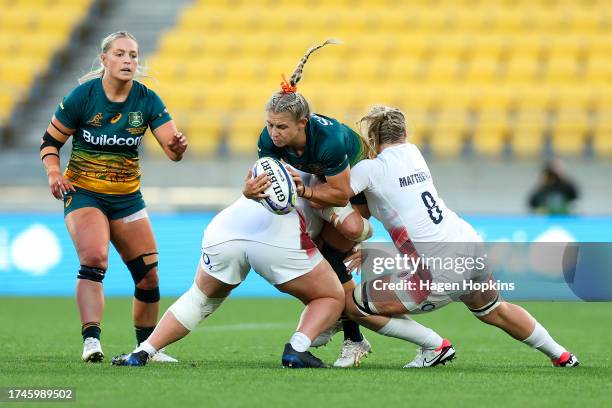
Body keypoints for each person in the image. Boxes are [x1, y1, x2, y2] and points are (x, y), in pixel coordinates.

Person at [337, 105, 578, 368]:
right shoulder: (414, 154)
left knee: (352, 303)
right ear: (405, 133)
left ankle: (434, 346)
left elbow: (336, 193)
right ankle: (562, 355)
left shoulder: (370, 170)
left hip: (438, 270)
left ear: (373, 137)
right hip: (467, 242)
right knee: (495, 309)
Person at [39, 31, 187, 363]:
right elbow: (50, 143)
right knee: (94, 259)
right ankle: (91, 340)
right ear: (104, 59)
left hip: (127, 198)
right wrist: (53, 173)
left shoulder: (147, 100)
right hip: (84, 193)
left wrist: (177, 148)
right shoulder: (83, 97)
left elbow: (172, 148)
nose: (128, 61)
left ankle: (147, 347)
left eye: (133, 55)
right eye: (120, 54)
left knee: (149, 275)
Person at [111, 170, 345, 368]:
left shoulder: (273, 158)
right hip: (277, 241)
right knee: (330, 296)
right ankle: (297, 348)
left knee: (199, 298)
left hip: (226, 230)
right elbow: (354, 228)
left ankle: (142, 352)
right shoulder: (331, 181)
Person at [244, 39, 374, 367]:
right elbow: (274, 187)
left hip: (356, 184)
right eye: (270, 125)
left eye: (282, 127)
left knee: (345, 236)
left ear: (303, 123)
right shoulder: (268, 140)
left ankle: (353, 338)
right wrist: (251, 192)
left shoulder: (328, 141)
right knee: (310, 249)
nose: (273, 133)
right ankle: (337, 321)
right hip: (318, 184)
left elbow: (342, 193)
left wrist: (305, 194)